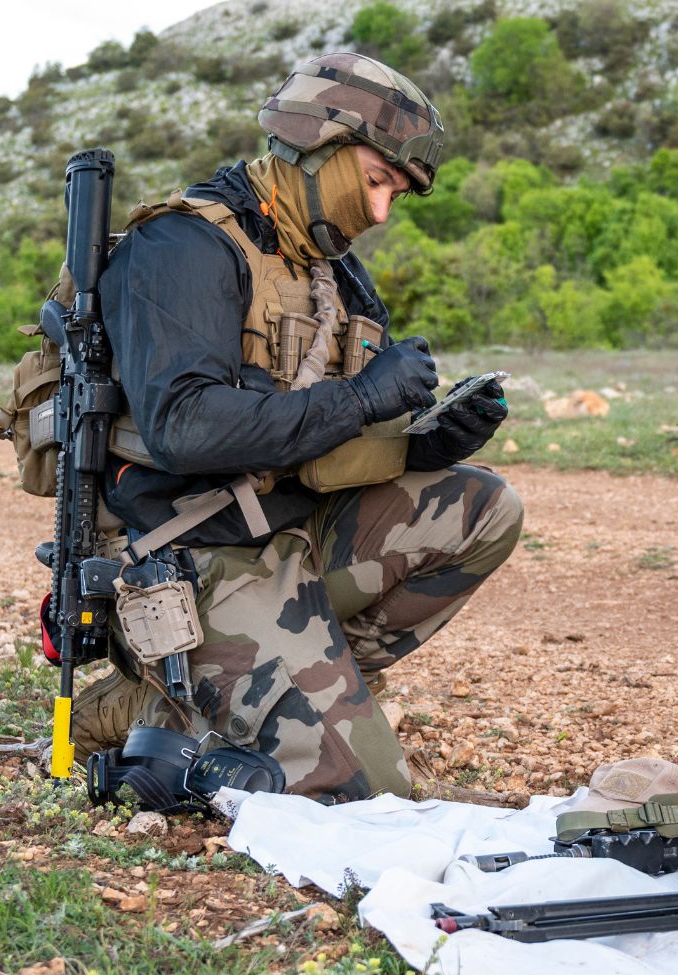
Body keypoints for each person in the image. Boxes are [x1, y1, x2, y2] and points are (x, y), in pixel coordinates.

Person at [74, 53, 521, 804]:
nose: (381, 213)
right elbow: (184, 428)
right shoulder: (181, 248)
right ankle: (169, 694)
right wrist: (363, 400)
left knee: (483, 507)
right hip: (193, 564)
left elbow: (316, 445)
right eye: (378, 181)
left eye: (397, 194)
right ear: (317, 142)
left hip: (293, 532)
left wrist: (425, 444)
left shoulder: (330, 268)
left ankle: (273, 690)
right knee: (374, 803)